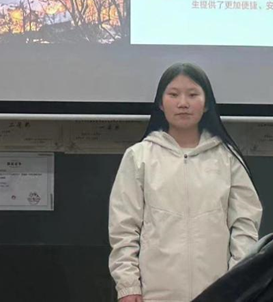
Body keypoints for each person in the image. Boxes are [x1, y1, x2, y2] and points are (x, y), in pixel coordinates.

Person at [108, 63, 263, 302]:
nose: (183, 103)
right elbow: (124, 228)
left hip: (217, 292)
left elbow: (245, 225)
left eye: (192, 95)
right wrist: (128, 286)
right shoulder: (139, 156)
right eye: (173, 94)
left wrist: (236, 283)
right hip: (154, 293)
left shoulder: (227, 158)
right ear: (161, 104)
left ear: (206, 103)